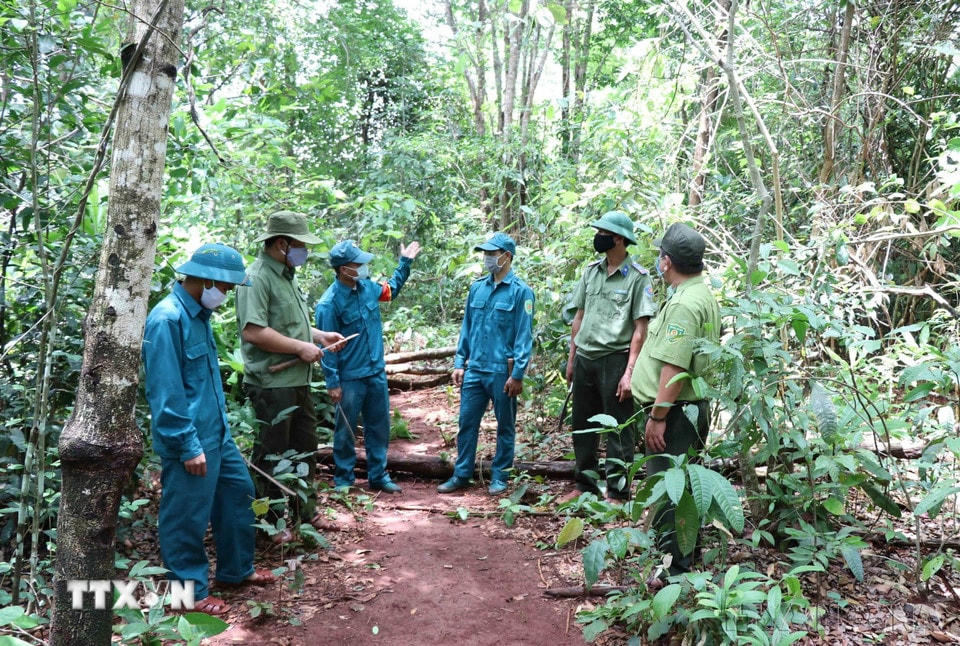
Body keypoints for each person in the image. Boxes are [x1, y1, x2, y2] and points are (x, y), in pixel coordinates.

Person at [142, 243, 277, 616]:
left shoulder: (199, 316)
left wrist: (220, 433)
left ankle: (236, 570)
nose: (228, 294)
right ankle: (190, 594)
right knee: (185, 515)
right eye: (226, 287)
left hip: (217, 434)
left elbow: (205, 384)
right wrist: (187, 444)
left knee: (238, 493)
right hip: (189, 439)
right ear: (204, 280)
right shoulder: (167, 319)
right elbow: (165, 393)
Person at [236, 211, 345, 544]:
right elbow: (254, 331)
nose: (305, 252)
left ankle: (304, 512)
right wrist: (299, 347)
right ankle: (265, 525)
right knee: (270, 455)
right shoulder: (255, 278)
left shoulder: (287, 275)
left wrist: (319, 336)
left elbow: (289, 324)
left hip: (297, 381)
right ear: (282, 244)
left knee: (304, 447)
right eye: (301, 245)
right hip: (271, 384)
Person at [630, 222, 720, 579]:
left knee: (670, 491)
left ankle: (673, 571)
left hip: (676, 414)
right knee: (684, 489)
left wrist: (658, 415)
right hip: (685, 411)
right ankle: (683, 557)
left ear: (666, 262)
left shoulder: (685, 304)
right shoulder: (700, 293)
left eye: (659, 256)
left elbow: (674, 368)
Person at [562, 211, 657, 501]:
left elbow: (640, 331)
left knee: (617, 430)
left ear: (618, 239)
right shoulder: (591, 271)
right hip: (586, 358)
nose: (598, 237)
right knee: (582, 426)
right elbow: (579, 316)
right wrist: (571, 358)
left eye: (603, 232)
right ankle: (584, 485)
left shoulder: (638, 278)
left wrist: (629, 373)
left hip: (615, 360)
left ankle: (618, 492)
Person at [315, 239, 421, 493]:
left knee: (379, 426)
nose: (363, 266)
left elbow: (391, 290)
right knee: (346, 431)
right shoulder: (328, 304)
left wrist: (405, 263)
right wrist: (333, 382)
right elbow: (326, 348)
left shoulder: (368, 288)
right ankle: (343, 480)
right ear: (343, 269)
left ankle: (378, 476)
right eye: (357, 263)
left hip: (375, 373)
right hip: (349, 377)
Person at [438, 232, 535, 495]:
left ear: (507, 257)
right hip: (475, 369)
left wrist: (517, 374)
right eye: (486, 254)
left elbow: (524, 336)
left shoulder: (521, 292)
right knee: (467, 423)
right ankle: (461, 474)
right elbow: (466, 328)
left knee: (505, 425)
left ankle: (500, 477)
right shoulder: (477, 288)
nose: (488, 258)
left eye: (493, 254)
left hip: (502, 371)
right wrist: (459, 362)